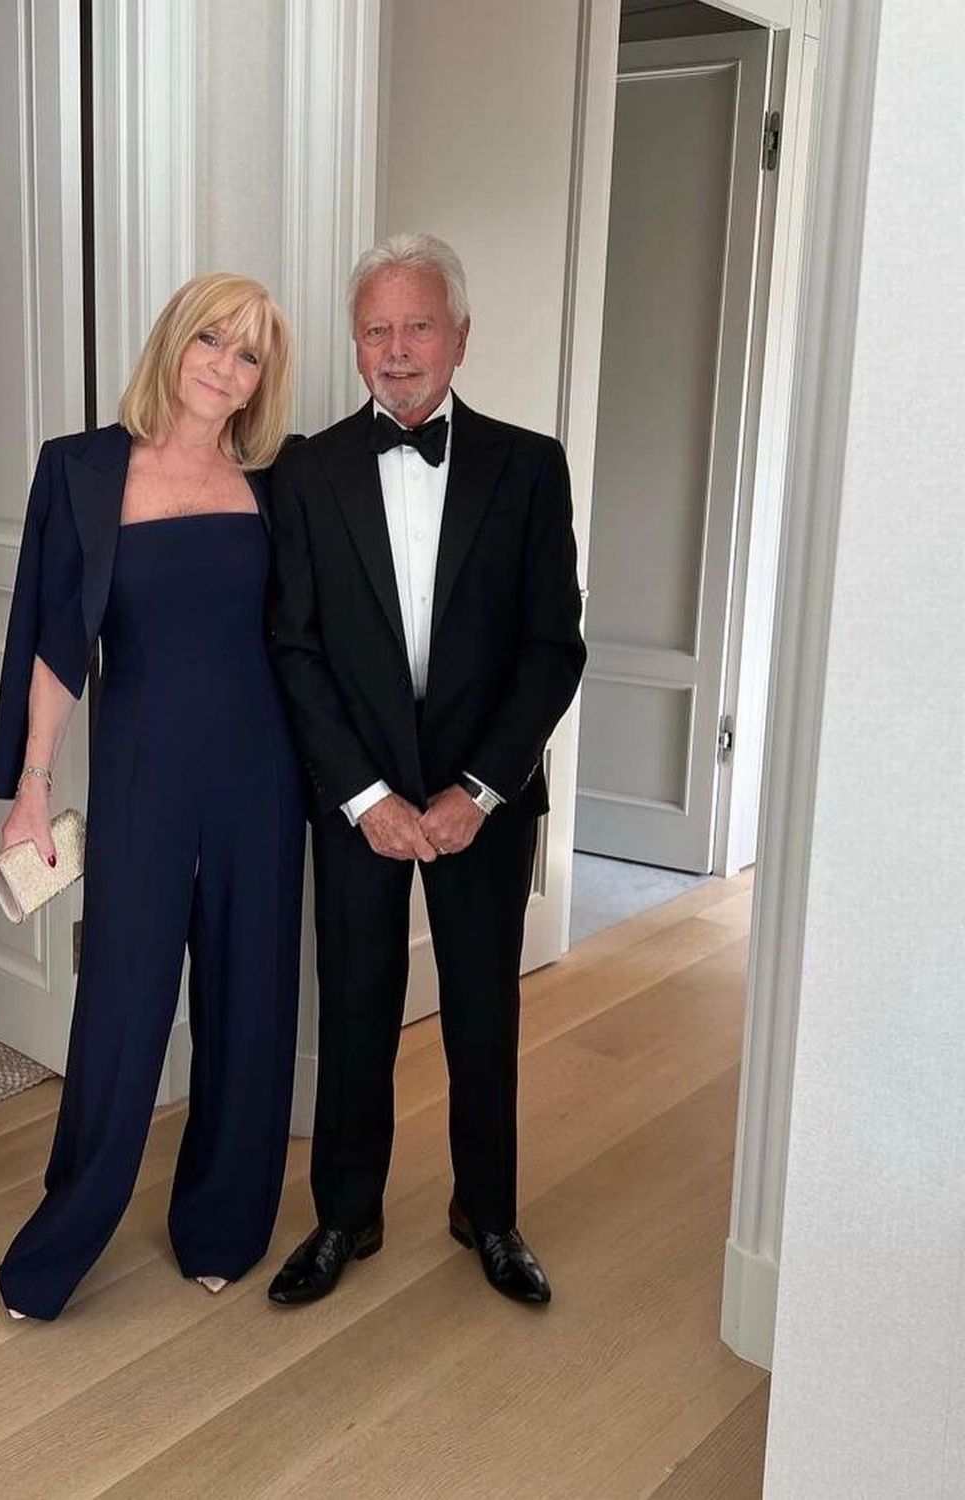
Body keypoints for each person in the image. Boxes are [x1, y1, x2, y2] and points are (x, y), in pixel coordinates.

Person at [265, 233, 586, 1307]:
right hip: (355, 800)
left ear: (459, 336)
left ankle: (487, 1213)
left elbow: (554, 646)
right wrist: (364, 797)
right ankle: (344, 1216)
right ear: (355, 344)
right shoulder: (306, 471)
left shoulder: (529, 465)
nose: (396, 350)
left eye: (417, 326)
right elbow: (293, 645)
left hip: (481, 803)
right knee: (355, 1004)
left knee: (483, 1008)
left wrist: (478, 791)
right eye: (375, 330)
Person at [0, 273, 305, 1319]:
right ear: (173, 339)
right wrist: (32, 789)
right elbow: (52, 646)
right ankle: (65, 1237)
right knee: (123, 1001)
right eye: (211, 336)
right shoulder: (81, 470)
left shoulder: (275, 478)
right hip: (142, 773)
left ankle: (221, 1222)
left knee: (246, 992)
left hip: (263, 768)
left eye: (248, 352)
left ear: (264, 379)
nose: (224, 363)